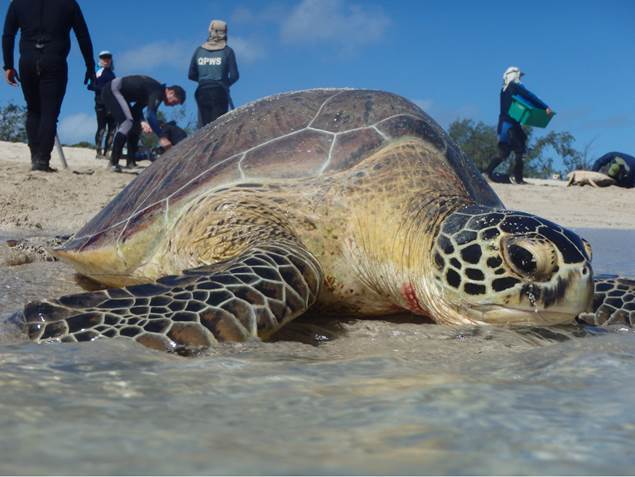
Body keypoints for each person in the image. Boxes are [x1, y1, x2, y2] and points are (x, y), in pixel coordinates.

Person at [2, 0, 96, 172]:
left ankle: (35, 157)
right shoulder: (69, 4)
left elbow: (8, 35)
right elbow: (82, 35)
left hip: (28, 60)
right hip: (55, 60)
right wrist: (90, 66)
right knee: (49, 113)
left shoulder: (18, 3)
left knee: (33, 110)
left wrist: (8, 65)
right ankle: (42, 160)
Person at [101, 75, 185, 172]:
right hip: (113, 90)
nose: (172, 105)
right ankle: (113, 163)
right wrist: (162, 137)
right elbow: (150, 114)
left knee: (135, 126)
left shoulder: (152, 91)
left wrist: (142, 122)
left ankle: (131, 162)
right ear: (171, 92)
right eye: (174, 102)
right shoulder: (157, 91)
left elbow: (137, 109)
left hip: (120, 94)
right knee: (127, 122)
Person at [485, 66, 553, 184]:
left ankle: (487, 173)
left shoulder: (504, 90)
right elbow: (529, 96)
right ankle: (518, 179)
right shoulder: (514, 87)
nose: (520, 78)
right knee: (520, 150)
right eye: (519, 75)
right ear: (514, 75)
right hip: (511, 125)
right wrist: (544, 107)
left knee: (504, 152)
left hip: (504, 125)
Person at [188, 19, 239, 127]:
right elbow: (234, 76)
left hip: (201, 92)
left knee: (203, 127)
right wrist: (224, 84)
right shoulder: (227, 51)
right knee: (219, 126)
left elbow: (191, 75)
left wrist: (205, 80)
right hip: (220, 91)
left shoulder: (199, 50)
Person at [89, 50, 116, 159]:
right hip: (101, 103)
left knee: (112, 128)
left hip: (112, 104)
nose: (106, 60)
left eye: (108, 58)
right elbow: (90, 86)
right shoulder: (98, 71)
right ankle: (99, 152)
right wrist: (104, 90)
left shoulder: (112, 73)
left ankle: (107, 152)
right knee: (102, 128)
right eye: (103, 58)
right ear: (100, 59)